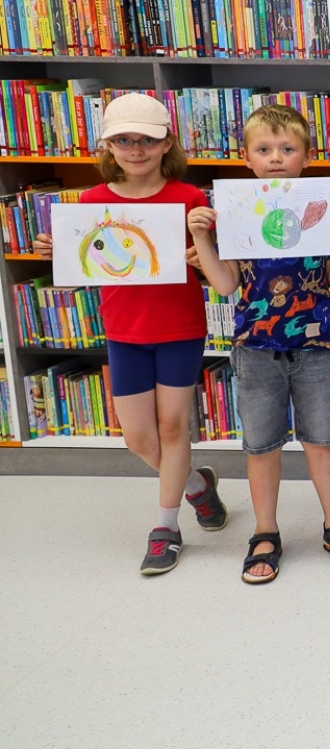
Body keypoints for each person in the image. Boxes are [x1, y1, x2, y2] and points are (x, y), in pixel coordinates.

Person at [35, 93, 228, 574]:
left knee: (172, 427)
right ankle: (198, 487)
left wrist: (200, 257)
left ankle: (166, 527)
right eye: (124, 140)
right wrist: (56, 254)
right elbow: (86, 266)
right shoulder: (93, 202)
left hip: (180, 327)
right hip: (124, 330)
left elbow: (216, 267)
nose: (135, 149)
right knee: (139, 438)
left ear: (167, 143)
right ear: (109, 146)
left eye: (146, 139)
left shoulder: (189, 198)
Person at [187, 104, 330, 582]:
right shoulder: (235, 213)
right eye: (264, 150)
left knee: (321, 440)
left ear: (307, 157)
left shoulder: (319, 208)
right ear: (247, 159)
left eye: (287, 149)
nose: (275, 158)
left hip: (316, 348)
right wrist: (203, 238)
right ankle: (265, 531)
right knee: (262, 445)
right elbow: (226, 286)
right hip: (255, 349)